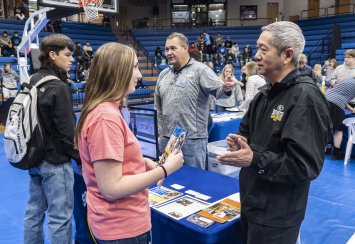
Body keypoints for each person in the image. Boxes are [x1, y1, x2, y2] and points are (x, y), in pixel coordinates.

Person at [218, 21, 331, 244]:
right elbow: (247, 135)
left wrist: (254, 157)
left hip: (277, 215)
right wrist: (239, 144)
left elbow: (304, 166)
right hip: (252, 203)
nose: (256, 55)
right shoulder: (264, 94)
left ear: (287, 55)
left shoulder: (305, 98)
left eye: (263, 49)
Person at [75, 42, 184, 242]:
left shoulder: (105, 111)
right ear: (118, 72)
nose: (140, 75)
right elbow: (111, 188)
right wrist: (164, 170)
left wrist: (141, 163)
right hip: (122, 227)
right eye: (134, 67)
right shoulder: (105, 118)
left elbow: (112, 163)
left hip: (117, 224)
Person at [24, 34, 80, 243]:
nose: (71, 59)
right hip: (56, 161)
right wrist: (81, 159)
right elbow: (68, 133)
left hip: (33, 157)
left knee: (33, 212)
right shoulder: (58, 87)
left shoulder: (32, 80)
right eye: (67, 55)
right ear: (53, 55)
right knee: (60, 218)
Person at [155, 32, 235, 169]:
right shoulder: (163, 74)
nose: (168, 52)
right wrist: (161, 133)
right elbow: (158, 107)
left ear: (185, 48)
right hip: (166, 139)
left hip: (192, 140)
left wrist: (227, 88)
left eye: (173, 48)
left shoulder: (201, 70)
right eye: (167, 49)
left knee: (194, 181)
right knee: (167, 181)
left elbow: (219, 92)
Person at [325, 77, 355, 160]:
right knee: (338, 130)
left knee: (321, 126)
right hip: (336, 105)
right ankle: (336, 153)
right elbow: (340, 98)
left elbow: (341, 95)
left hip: (324, 100)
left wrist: (350, 108)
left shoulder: (347, 79)